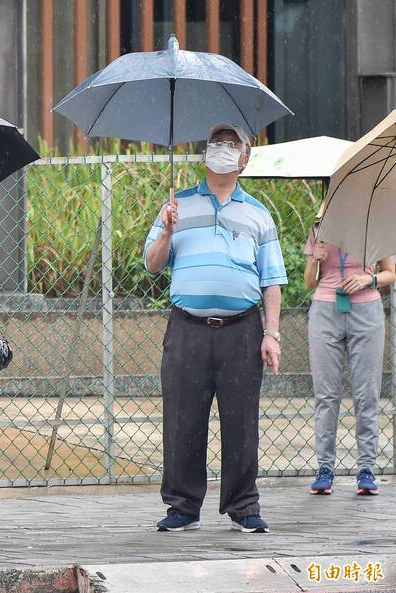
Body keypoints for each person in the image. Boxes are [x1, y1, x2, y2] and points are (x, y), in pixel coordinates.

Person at [144, 123, 287, 534]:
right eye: (216, 142)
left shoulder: (258, 213)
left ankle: (243, 505)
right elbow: (152, 263)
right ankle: (183, 506)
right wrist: (168, 230)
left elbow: (272, 279)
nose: (222, 149)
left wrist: (271, 334)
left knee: (241, 419)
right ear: (205, 152)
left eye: (231, 144)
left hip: (243, 329)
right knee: (182, 419)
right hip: (187, 326)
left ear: (245, 157)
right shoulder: (177, 205)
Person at [304, 230, 395, 495]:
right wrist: (314, 260)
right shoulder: (320, 228)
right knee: (326, 394)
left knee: (366, 393)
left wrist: (369, 278)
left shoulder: (374, 223)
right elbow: (309, 282)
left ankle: (367, 468)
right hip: (325, 311)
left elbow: (391, 272)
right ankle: (324, 469)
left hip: (366, 312)